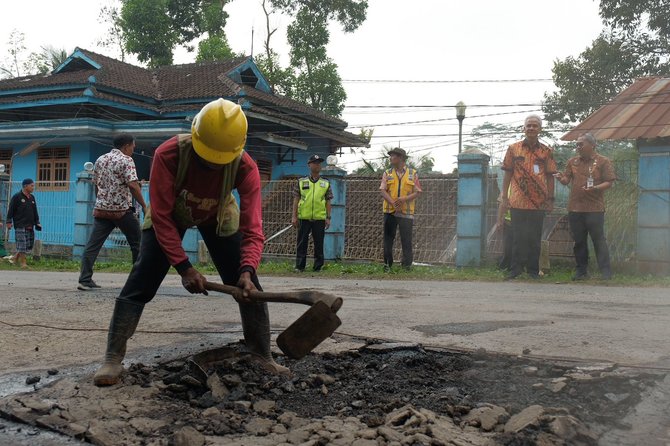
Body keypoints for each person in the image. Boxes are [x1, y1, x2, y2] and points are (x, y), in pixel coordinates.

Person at [93, 98, 288, 387]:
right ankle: (112, 357)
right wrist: (184, 268)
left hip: (217, 213)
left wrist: (246, 270)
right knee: (142, 278)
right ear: (195, 135)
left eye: (218, 159)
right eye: (206, 156)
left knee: (249, 287)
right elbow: (160, 215)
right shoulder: (169, 153)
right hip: (171, 214)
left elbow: (253, 229)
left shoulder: (245, 168)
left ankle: (261, 353)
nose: (211, 163)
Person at [77, 134, 147, 290]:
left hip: (102, 210)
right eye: (133, 146)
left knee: (93, 245)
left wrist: (102, 201)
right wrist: (144, 205)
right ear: (126, 146)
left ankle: (85, 279)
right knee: (137, 244)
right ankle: (137, 281)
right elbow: (133, 186)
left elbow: (96, 185)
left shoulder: (100, 159)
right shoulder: (126, 160)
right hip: (122, 210)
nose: (133, 150)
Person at [501, 115, 556, 280]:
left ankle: (533, 271)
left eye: (535, 126)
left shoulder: (546, 151)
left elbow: (550, 176)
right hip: (517, 201)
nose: (531, 128)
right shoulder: (513, 149)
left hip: (538, 203)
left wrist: (551, 199)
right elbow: (508, 173)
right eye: (529, 126)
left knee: (534, 238)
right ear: (523, 128)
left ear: (540, 129)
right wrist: (504, 195)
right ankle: (515, 270)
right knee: (517, 237)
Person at [554, 133, 616, 280]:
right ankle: (581, 271)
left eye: (581, 144)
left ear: (592, 145)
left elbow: (609, 182)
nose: (578, 147)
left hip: (595, 209)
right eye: (577, 144)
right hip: (575, 208)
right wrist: (560, 178)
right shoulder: (572, 161)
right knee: (579, 241)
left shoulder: (603, 161)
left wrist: (595, 188)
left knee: (598, 240)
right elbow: (566, 180)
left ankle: (606, 273)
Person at [380, 148, 422, 271]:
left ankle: (407, 265)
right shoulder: (387, 173)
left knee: (406, 239)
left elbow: (418, 191)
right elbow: (382, 190)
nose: (390, 158)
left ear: (400, 158)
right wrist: (392, 202)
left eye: (392, 156)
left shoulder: (412, 173)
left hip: (406, 212)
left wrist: (404, 199)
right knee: (388, 239)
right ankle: (387, 264)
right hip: (390, 211)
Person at [292, 155, 333, 272]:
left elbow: (328, 201)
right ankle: (300, 266)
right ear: (309, 165)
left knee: (319, 243)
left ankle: (318, 266)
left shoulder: (325, 183)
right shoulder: (301, 181)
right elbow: (296, 199)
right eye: (314, 163)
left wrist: (328, 217)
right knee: (301, 242)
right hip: (303, 217)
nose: (317, 165)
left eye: (319, 163)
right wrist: (294, 216)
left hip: (319, 218)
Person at [5, 179, 41, 269]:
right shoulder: (17, 197)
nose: (33, 187)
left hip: (30, 225)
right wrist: (9, 221)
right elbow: (11, 210)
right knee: (22, 245)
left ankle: (14, 258)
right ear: (25, 186)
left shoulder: (32, 198)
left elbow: (35, 211)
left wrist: (37, 222)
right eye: (31, 186)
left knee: (28, 246)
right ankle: (23, 264)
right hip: (20, 225)